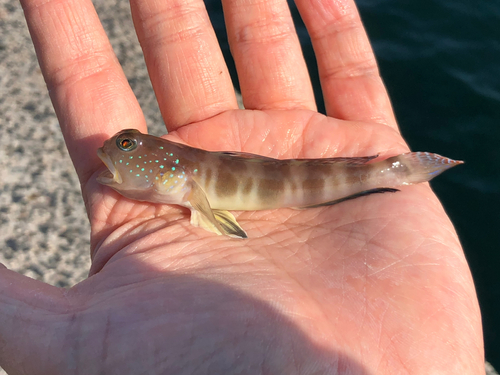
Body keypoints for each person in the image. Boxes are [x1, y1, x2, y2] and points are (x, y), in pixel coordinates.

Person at [0, 0, 483, 373]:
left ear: (168, 168)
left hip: (333, 173)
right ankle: (387, 171)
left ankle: (385, 171)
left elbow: (206, 200)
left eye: (128, 148)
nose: (112, 159)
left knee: (365, 170)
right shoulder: (182, 178)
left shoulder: (186, 180)